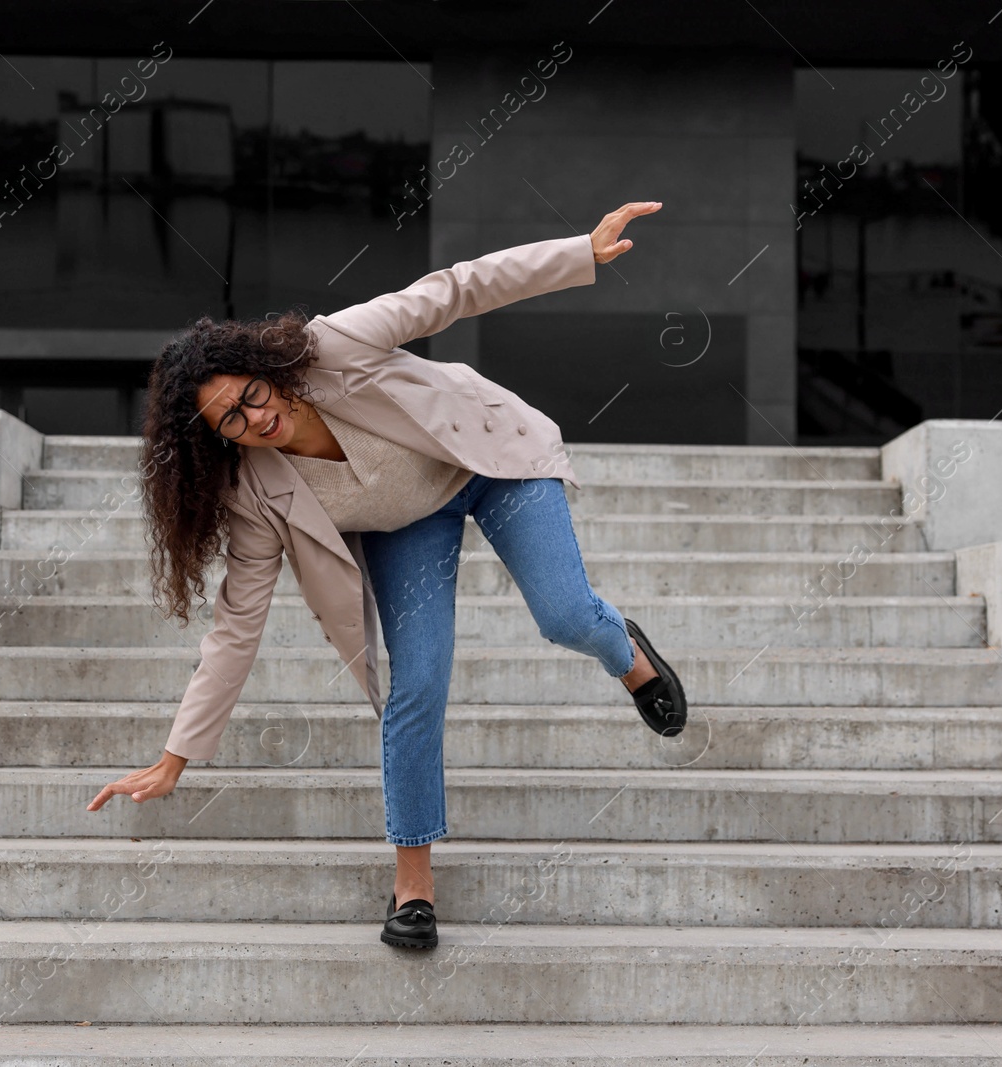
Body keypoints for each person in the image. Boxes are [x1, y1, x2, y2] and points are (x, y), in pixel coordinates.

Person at [87, 200, 687, 949]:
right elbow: (236, 626)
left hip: (485, 460)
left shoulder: (332, 346)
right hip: (407, 524)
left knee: (565, 614)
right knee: (417, 684)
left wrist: (579, 254)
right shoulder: (252, 493)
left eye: (251, 395)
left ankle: (626, 655)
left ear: (263, 370)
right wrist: (175, 756)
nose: (254, 418)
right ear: (219, 441)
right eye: (231, 422)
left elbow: (455, 287)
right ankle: (414, 883)